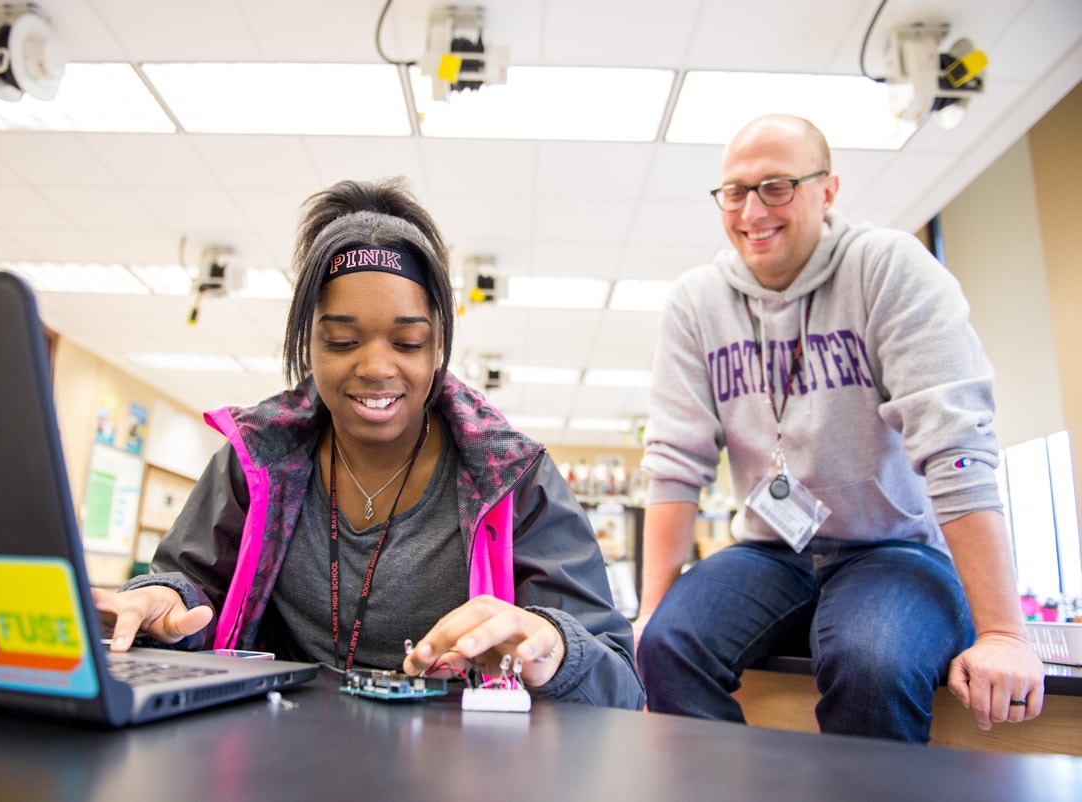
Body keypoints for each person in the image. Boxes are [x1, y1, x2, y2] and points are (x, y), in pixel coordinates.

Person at [92, 177, 644, 709]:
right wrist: (166, 602)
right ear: (308, 341)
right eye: (343, 340)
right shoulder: (257, 459)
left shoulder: (512, 478)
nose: (377, 366)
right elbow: (190, 592)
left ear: (438, 347)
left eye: (407, 342)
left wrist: (551, 648)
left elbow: (621, 682)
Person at [634, 114, 1045, 741]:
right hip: (772, 551)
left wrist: (1004, 633)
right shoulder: (697, 302)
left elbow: (955, 446)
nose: (752, 210)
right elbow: (674, 461)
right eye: (736, 192)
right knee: (665, 647)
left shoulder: (887, 269)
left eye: (778, 186)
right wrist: (648, 612)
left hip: (894, 548)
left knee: (871, 663)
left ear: (828, 190)